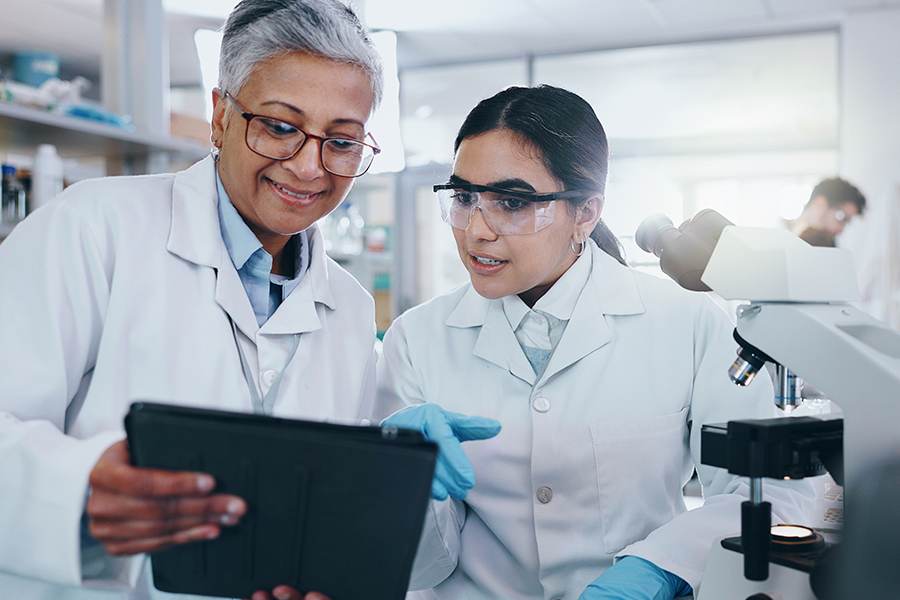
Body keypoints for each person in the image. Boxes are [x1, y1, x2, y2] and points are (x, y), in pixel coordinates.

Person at [0, 1, 384, 599]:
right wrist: (72, 489)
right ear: (221, 117)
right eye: (280, 127)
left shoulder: (352, 310)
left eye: (341, 140)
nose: (310, 166)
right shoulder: (91, 228)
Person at [375, 85, 815, 600]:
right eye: (464, 197)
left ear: (584, 213)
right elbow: (416, 567)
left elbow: (774, 498)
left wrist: (659, 568)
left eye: (512, 202)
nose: (475, 230)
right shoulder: (416, 339)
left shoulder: (688, 323)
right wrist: (399, 485)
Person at [789, 177, 866, 247]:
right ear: (820, 204)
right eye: (841, 217)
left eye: (847, 222)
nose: (841, 230)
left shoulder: (827, 250)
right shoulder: (778, 240)